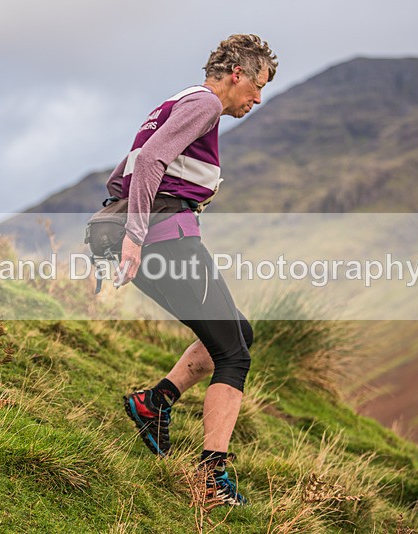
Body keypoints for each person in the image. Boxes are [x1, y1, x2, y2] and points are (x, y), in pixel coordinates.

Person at [105, 34, 278, 506]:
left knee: (237, 332)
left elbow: (127, 169)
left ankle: (154, 403)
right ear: (237, 75)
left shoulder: (182, 102)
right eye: (258, 86)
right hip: (164, 240)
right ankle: (211, 477)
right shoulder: (204, 103)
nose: (258, 99)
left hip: (158, 236)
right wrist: (135, 236)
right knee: (235, 355)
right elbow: (152, 163)